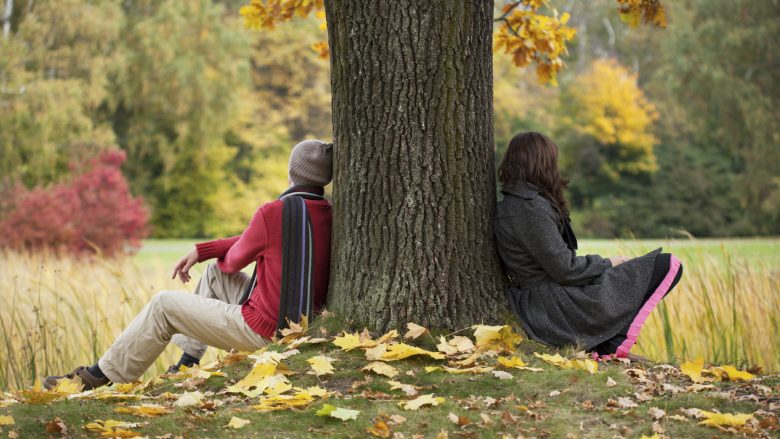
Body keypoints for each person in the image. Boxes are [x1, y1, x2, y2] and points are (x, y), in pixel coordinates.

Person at [44, 139, 334, 389]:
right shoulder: (328, 211)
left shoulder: (274, 212)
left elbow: (233, 262)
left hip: (264, 332)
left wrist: (239, 250)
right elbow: (258, 240)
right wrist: (205, 250)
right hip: (301, 322)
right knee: (212, 272)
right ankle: (187, 363)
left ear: (291, 172)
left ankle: (98, 377)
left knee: (163, 305)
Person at [493, 132, 683, 360]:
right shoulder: (529, 208)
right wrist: (608, 263)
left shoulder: (516, 204)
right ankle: (609, 342)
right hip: (553, 306)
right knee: (665, 264)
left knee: (643, 270)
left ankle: (607, 341)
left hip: (549, 299)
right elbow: (564, 269)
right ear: (541, 162)